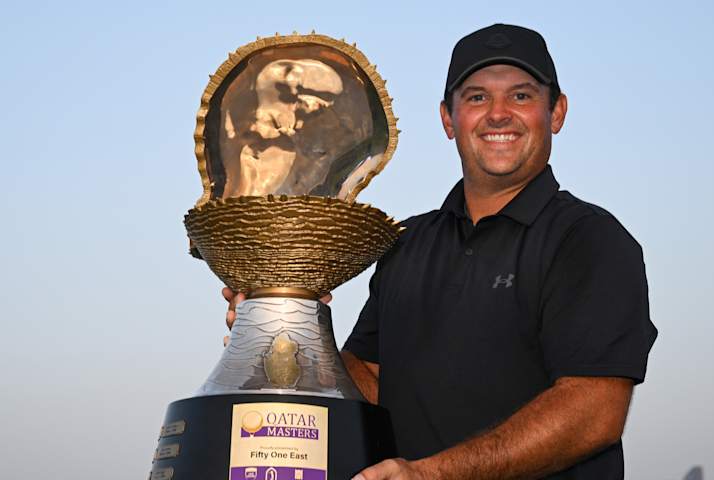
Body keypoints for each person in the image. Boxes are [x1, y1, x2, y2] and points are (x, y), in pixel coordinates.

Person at [225, 23, 657, 479]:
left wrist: (432, 474)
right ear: (448, 119)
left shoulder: (588, 239)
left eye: (521, 96)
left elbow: (594, 412)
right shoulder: (407, 241)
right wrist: (284, 321)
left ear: (557, 112)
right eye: (476, 98)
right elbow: (367, 384)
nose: (498, 114)